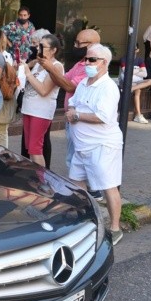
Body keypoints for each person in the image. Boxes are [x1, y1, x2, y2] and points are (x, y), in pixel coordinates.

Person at [65, 44, 124, 245]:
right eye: (86, 59)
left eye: (92, 60)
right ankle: (86, 221)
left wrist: (77, 115)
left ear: (104, 63)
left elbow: (102, 116)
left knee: (108, 187)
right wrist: (72, 109)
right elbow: (73, 100)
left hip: (102, 146)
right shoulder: (84, 83)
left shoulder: (108, 87)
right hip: (81, 146)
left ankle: (115, 228)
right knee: (76, 184)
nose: (86, 63)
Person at [39, 28, 104, 200]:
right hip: (73, 117)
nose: (75, 46)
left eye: (78, 43)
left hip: (81, 117)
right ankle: (80, 190)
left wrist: (51, 69)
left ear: (91, 45)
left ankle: (89, 191)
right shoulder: (80, 63)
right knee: (74, 157)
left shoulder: (91, 66)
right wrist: (49, 68)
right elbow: (64, 79)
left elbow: (68, 86)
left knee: (80, 156)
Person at [20, 34, 63, 167]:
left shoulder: (56, 66)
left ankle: (42, 182)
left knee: (35, 149)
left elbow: (44, 90)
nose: (38, 48)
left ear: (53, 50)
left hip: (41, 112)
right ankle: (34, 179)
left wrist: (27, 73)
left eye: (42, 46)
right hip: (28, 109)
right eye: (38, 45)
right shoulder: (39, 64)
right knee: (29, 149)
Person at [0, 31, 20, 147]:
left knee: (0, 132)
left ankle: (2, 158)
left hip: (3, 98)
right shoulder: (4, 56)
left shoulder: (4, 57)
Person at [119, 43, 151, 124]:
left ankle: (130, 89)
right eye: (131, 49)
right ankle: (138, 115)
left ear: (138, 50)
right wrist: (139, 70)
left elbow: (145, 74)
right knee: (138, 90)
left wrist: (133, 72)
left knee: (150, 81)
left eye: (135, 49)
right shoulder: (124, 59)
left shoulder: (140, 60)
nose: (133, 51)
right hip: (126, 81)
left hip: (138, 81)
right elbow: (126, 72)